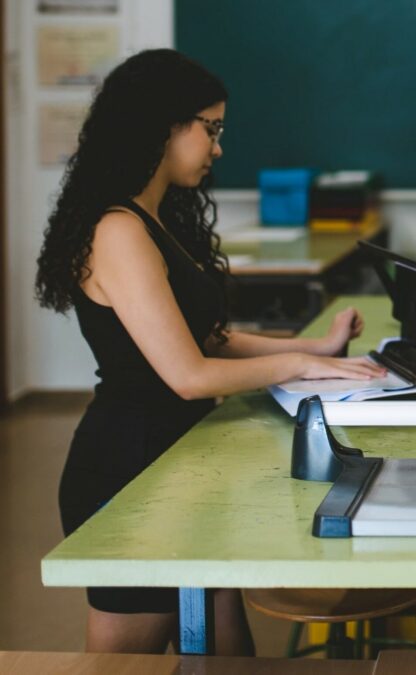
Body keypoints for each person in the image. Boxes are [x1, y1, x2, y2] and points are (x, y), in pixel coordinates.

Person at [35, 49, 385, 654]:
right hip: (129, 467)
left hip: (178, 462)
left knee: (226, 649)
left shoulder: (155, 217)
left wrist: (313, 345)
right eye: (212, 128)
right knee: (127, 665)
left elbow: (205, 336)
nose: (218, 147)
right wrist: (300, 365)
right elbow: (189, 374)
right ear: (164, 124)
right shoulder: (118, 231)